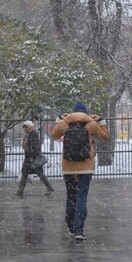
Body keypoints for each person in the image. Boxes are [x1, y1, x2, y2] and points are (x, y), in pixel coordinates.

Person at [51, 101, 109, 244]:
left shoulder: (65, 124)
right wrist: (101, 121)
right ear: (85, 113)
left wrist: (59, 119)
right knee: (82, 197)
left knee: (71, 196)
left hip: (68, 167)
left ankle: (70, 225)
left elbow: (53, 135)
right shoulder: (91, 124)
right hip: (86, 167)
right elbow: (105, 136)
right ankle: (79, 230)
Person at [16, 120, 55, 197]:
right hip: (28, 158)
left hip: (33, 158)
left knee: (40, 174)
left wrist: (32, 154)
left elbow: (35, 146)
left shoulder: (34, 134)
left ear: (29, 127)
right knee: (24, 174)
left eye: (26, 127)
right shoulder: (28, 134)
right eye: (24, 127)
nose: (24, 129)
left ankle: (49, 187)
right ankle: (20, 190)